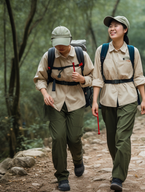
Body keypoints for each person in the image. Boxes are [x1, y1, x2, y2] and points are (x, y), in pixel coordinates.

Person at [33, 26, 94, 191]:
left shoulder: (81, 55)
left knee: (74, 137)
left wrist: (82, 79)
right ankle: (62, 177)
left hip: (76, 100)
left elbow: (93, 77)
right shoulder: (49, 56)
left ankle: (78, 159)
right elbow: (40, 78)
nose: (60, 47)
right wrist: (44, 94)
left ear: (70, 41)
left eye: (63, 44)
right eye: (57, 44)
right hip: (55, 100)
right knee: (58, 138)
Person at [91, 16, 145, 191]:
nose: (112, 28)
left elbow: (138, 76)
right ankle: (120, 165)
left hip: (128, 97)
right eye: (110, 26)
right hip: (107, 99)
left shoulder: (132, 51)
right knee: (111, 139)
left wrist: (143, 98)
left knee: (122, 138)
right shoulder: (101, 51)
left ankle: (117, 177)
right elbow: (97, 79)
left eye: (116, 26)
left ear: (125, 30)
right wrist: (94, 101)